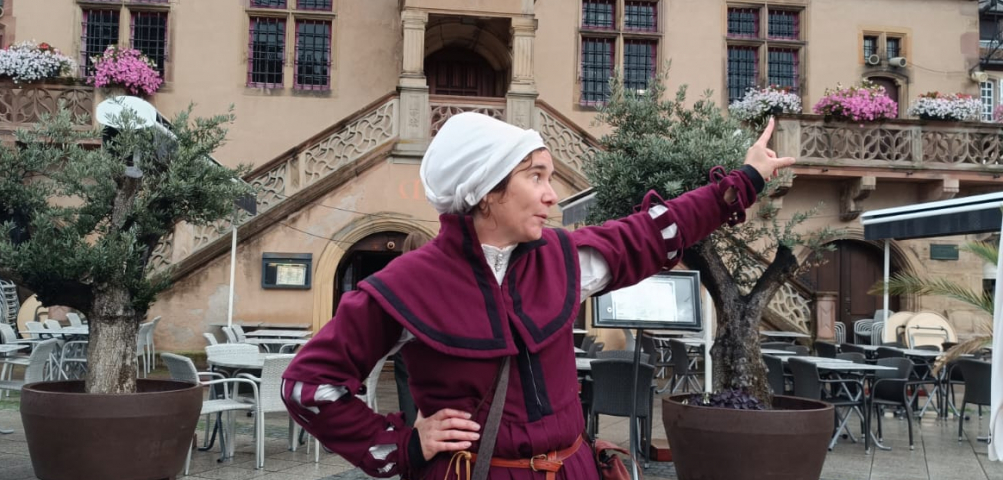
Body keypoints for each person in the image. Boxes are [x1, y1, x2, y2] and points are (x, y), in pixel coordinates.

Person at [282, 112, 794, 479]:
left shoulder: (565, 258)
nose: (552, 194)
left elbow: (653, 231)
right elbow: (307, 385)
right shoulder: (405, 286)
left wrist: (744, 180)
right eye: (535, 177)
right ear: (486, 191)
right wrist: (402, 444)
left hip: (572, 468)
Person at [394, 231, 432, 426]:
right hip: (431, 338)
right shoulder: (435, 271)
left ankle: (410, 429)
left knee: (405, 384)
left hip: (406, 336)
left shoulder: (399, 271)